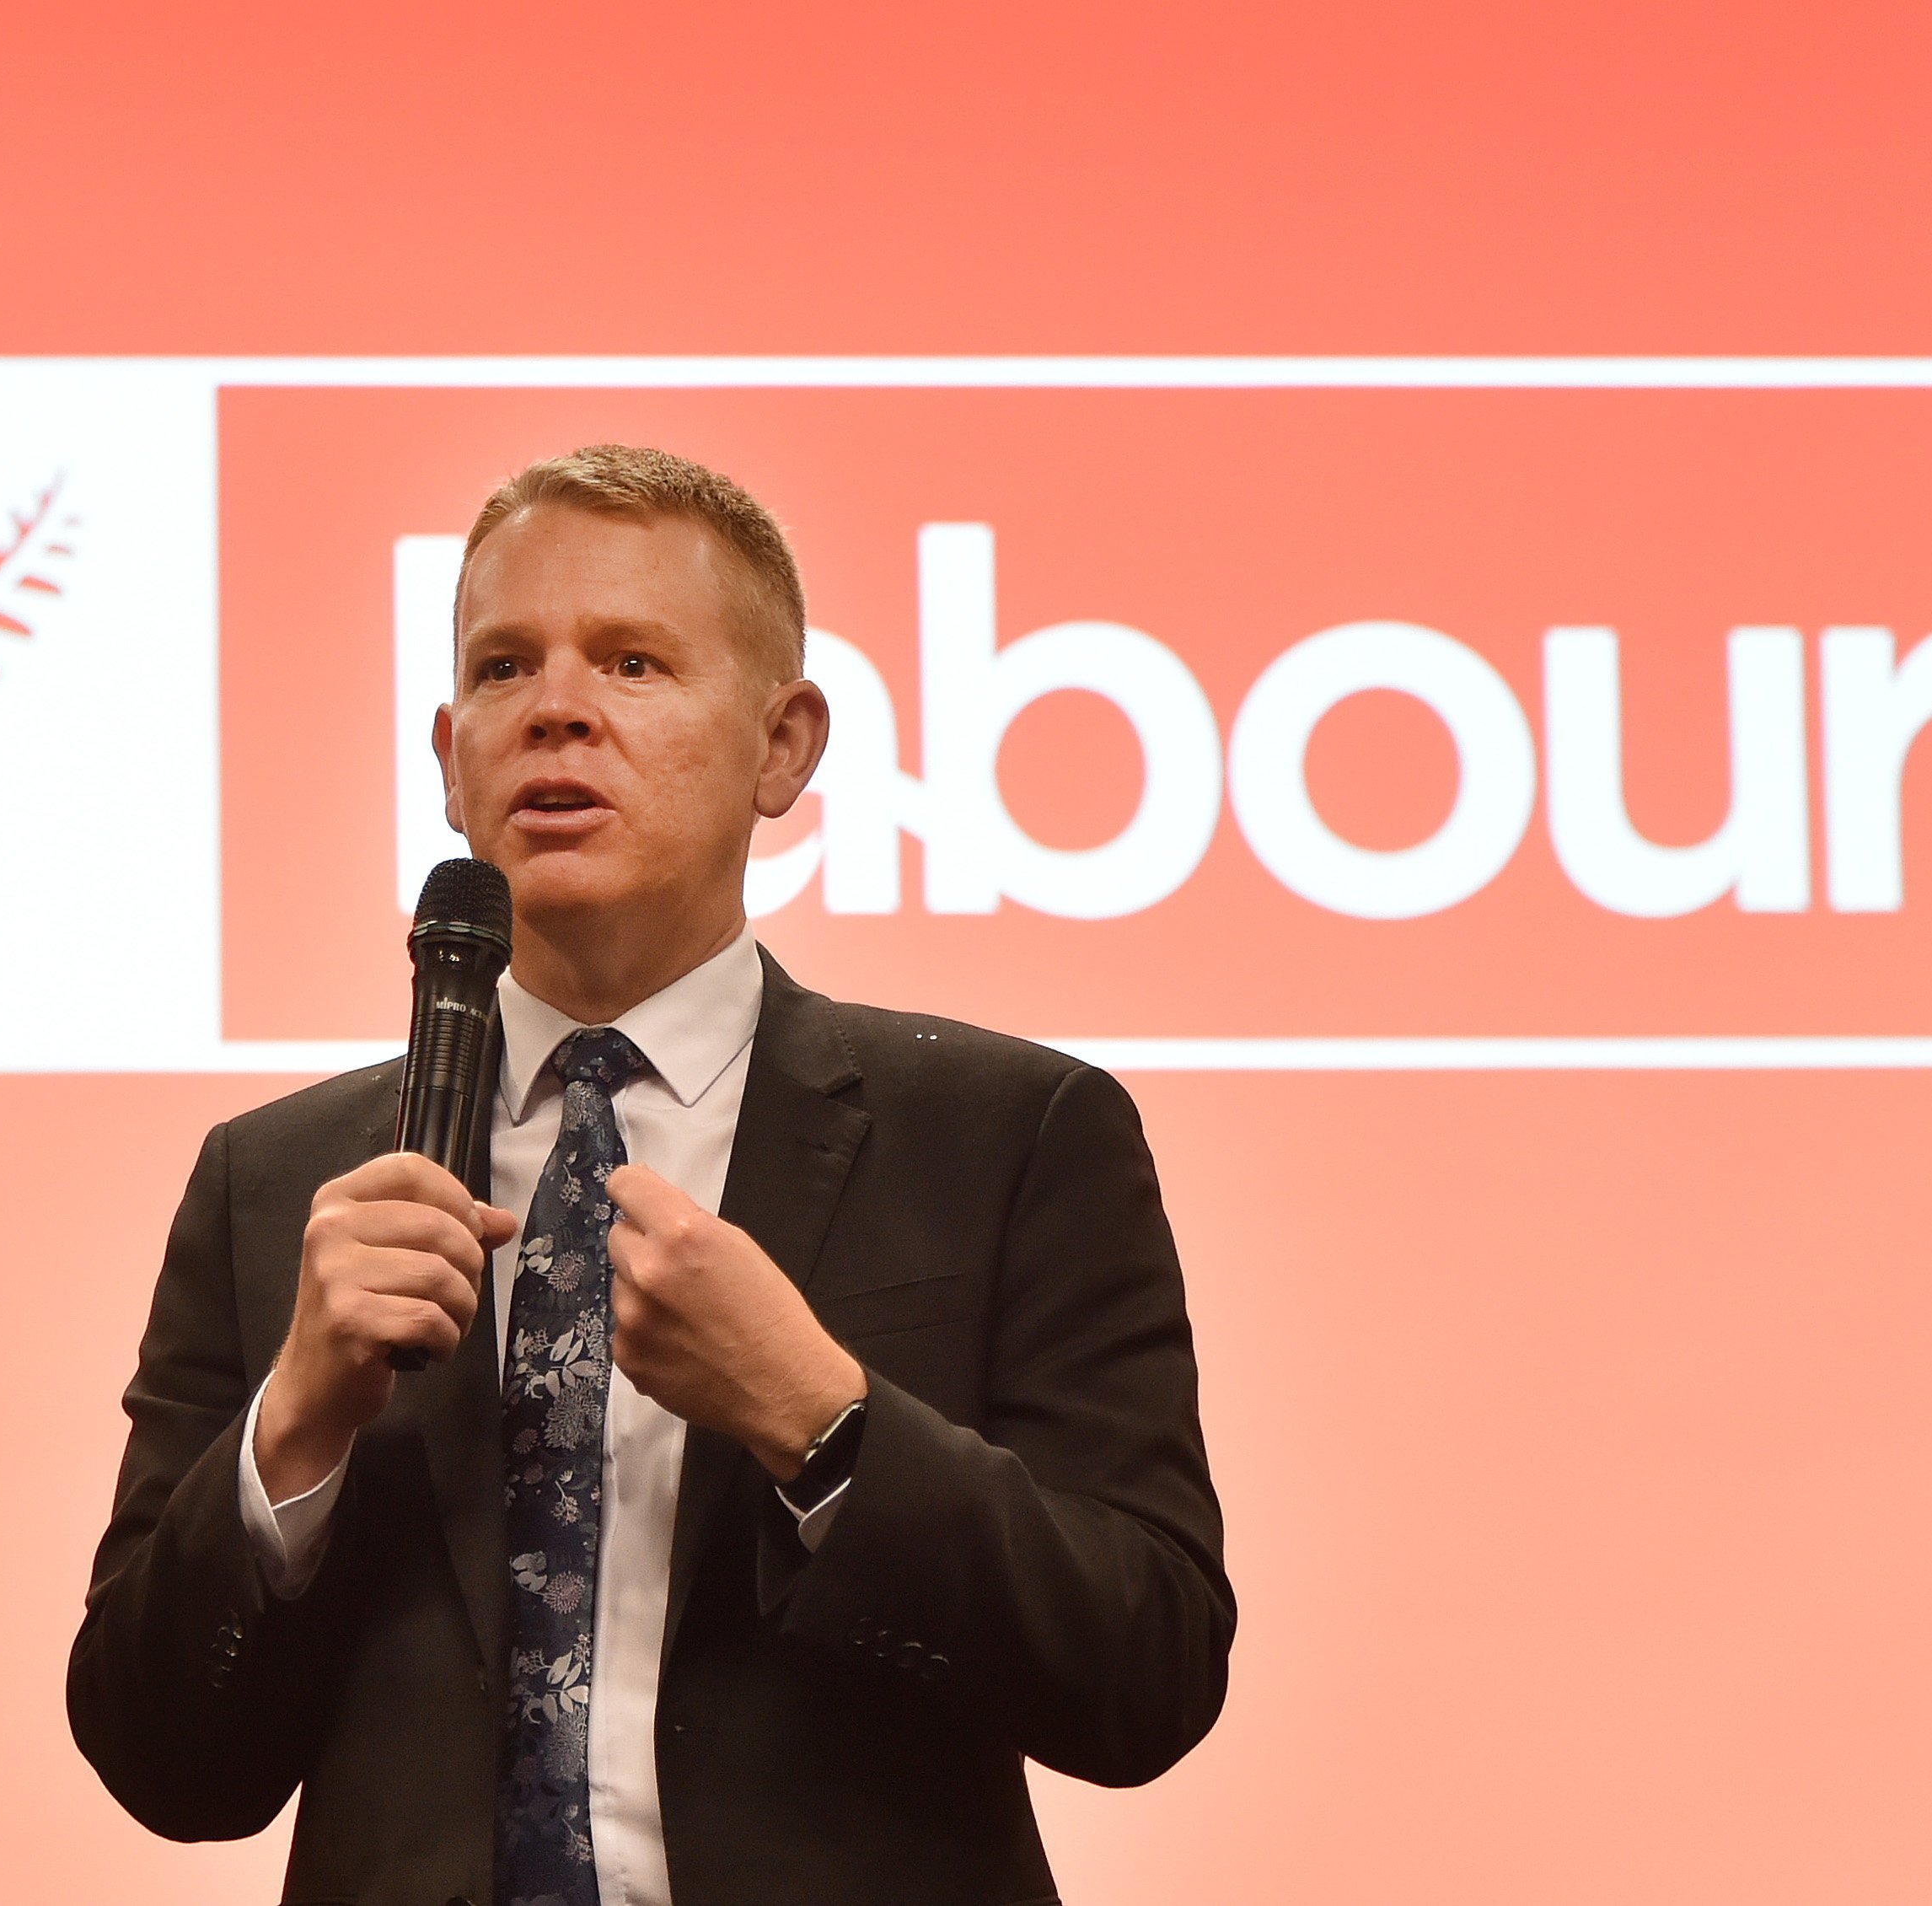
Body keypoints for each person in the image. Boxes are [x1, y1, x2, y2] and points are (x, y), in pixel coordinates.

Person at [68, 445, 1233, 1906]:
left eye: (631, 660)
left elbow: (1149, 1674)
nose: (555, 706)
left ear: (783, 746)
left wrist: (824, 1420)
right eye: (503, 668)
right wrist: (288, 1433)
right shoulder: (279, 1184)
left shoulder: (1012, 1134)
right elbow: (160, 1760)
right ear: (448, 759)